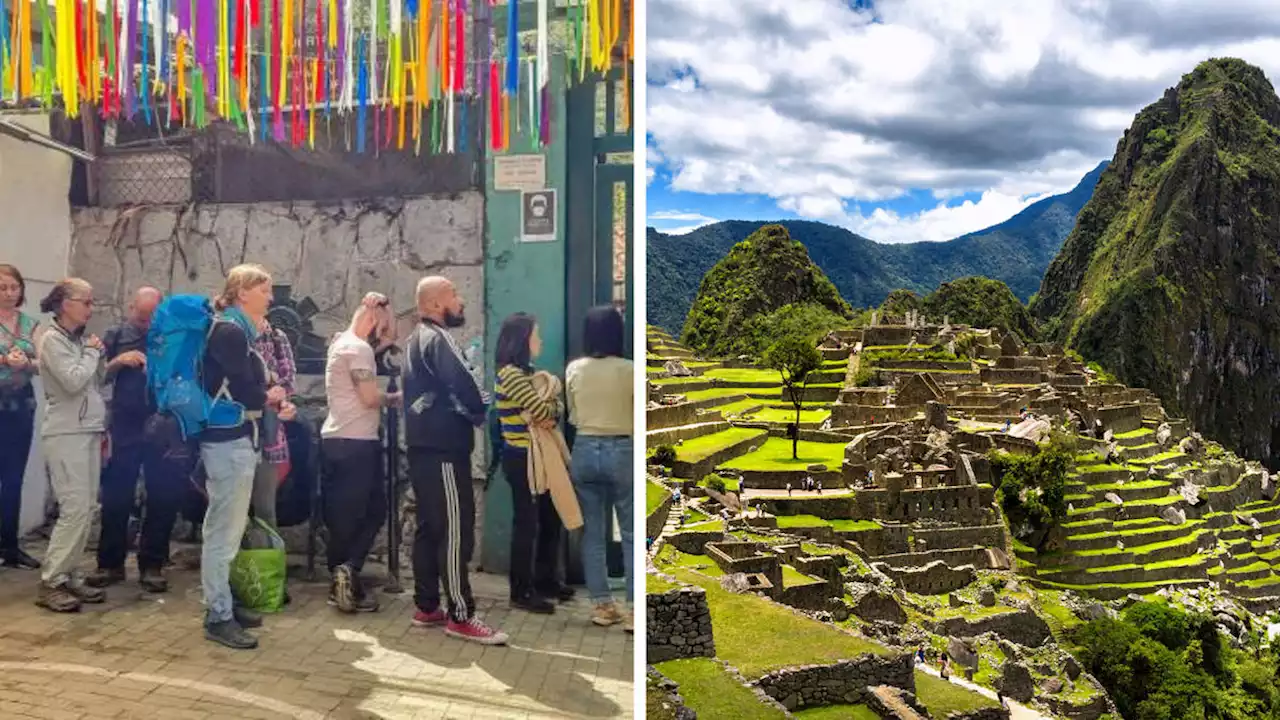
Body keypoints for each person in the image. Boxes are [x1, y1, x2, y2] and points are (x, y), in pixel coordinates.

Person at [403, 276, 507, 645]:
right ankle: (460, 615)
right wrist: (481, 408)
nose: (460, 301)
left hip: (423, 448)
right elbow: (463, 384)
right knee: (455, 529)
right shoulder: (439, 338)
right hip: (444, 450)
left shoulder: (415, 339)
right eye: (454, 295)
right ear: (434, 305)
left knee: (431, 527)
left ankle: (427, 605)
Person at [199, 264, 279, 650]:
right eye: (265, 290)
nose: (271, 297)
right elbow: (247, 389)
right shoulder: (230, 332)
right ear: (243, 292)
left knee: (227, 531)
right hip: (226, 443)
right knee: (222, 534)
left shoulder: (235, 331)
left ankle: (224, 603)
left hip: (234, 439)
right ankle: (218, 616)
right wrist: (272, 399)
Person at [87, 286, 183, 594]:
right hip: (125, 427)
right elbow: (94, 377)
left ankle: (153, 565)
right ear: (131, 309)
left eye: (151, 318)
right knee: (117, 497)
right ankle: (110, 564)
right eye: (141, 318)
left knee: (163, 497)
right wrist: (118, 361)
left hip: (163, 427)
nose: (146, 324)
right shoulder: (115, 335)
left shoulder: (173, 338)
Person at [321, 292, 398, 614]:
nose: (387, 332)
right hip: (358, 442)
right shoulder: (360, 349)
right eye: (383, 325)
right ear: (372, 321)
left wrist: (384, 320)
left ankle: (341, 577)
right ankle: (347, 570)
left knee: (342, 516)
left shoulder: (341, 344)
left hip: (335, 439)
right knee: (372, 511)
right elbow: (368, 397)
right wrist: (394, 397)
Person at [34, 279, 107, 612]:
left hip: (88, 429)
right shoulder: (52, 340)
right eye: (86, 302)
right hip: (66, 434)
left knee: (87, 508)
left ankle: (71, 575)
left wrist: (98, 356)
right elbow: (74, 381)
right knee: (74, 508)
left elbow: (95, 381)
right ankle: (52, 580)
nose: (90, 308)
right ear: (65, 304)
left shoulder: (77, 341)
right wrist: (92, 351)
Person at [494, 312, 573, 615]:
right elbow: (546, 412)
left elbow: (550, 409)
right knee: (527, 523)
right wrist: (552, 405)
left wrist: (552, 406)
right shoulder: (512, 375)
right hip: (523, 457)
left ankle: (545, 579)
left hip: (538, 456)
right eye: (535, 336)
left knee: (549, 519)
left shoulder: (525, 374)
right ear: (523, 340)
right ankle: (521, 590)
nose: (539, 341)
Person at [566, 305, 634, 632]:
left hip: (584, 447)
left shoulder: (575, 369)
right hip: (621, 447)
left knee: (592, 532)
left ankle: (603, 606)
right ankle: (635, 610)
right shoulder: (630, 370)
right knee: (632, 532)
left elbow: (574, 414)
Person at [0, 264, 42, 570]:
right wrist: (4, 359)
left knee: (14, 478)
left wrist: (26, 362)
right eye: (2, 288)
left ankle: (10, 547)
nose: (9, 293)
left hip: (22, 404)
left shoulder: (31, 324)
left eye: (14, 287)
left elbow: (44, 362)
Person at [252, 318, 298, 529]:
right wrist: (267, 385)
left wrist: (279, 396)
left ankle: (262, 560)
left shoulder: (277, 338)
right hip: (233, 433)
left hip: (269, 435)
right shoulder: (231, 333)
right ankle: (231, 561)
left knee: (265, 509)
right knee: (230, 508)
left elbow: (288, 382)